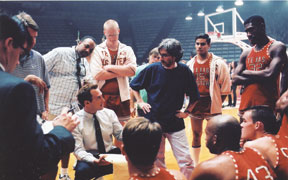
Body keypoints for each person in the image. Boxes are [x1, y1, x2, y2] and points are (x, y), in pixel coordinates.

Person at [0, 13, 79, 179]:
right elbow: (36, 158)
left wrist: (45, 110)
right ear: (8, 44)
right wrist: (60, 130)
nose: (18, 62)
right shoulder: (17, 89)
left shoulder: (38, 59)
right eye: (20, 50)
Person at [130, 38, 199, 179]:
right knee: (157, 159)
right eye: (160, 54)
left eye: (165, 55)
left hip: (175, 121)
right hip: (154, 122)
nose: (161, 57)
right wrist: (140, 102)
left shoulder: (184, 71)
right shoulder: (151, 69)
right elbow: (134, 85)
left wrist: (187, 112)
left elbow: (195, 96)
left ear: (175, 56)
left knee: (186, 160)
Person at [43, 36, 96, 179]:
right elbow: (41, 67)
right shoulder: (60, 53)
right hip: (54, 108)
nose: (87, 50)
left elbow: (89, 81)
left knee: (68, 142)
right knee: (53, 143)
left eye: (90, 50)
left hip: (73, 108)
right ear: (79, 43)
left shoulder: (85, 63)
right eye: (86, 46)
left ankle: (64, 173)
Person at [187, 33, 231, 165]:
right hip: (196, 103)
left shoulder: (218, 63)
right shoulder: (190, 64)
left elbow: (225, 85)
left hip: (212, 103)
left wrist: (218, 103)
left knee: (216, 135)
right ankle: (195, 164)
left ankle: (219, 162)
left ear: (209, 45)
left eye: (202, 44)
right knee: (196, 134)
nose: (199, 46)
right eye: (197, 44)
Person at [190, 114, 277, 180]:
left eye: (207, 134)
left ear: (215, 139)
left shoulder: (208, 168)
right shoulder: (259, 154)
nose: (205, 138)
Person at [232, 15, 288, 114]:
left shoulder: (277, 47)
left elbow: (270, 75)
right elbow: (235, 78)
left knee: (266, 129)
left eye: (251, 30)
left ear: (262, 27)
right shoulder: (246, 52)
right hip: (245, 104)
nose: (248, 34)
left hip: (266, 105)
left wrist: (245, 72)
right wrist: (261, 77)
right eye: (247, 32)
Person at [90, 19, 137, 126]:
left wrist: (109, 67)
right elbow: (97, 74)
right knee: (102, 127)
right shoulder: (97, 50)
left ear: (119, 31)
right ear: (104, 33)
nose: (112, 38)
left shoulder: (127, 49)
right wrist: (122, 71)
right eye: (109, 35)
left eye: (115, 34)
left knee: (121, 129)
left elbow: (132, 71)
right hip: (102, 96)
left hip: (122, 96)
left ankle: (118, 144)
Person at [72, 83, 123, 180]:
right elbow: (78, 150)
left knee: (132, 164)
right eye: (99, 98)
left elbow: (120, 134)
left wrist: (134, 134)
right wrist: (94, 160)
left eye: (102, 96)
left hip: (110, 155)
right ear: (87, 103)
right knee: (81, 172)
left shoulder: (109, 113)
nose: (103, 100)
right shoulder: (76, 121)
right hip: (90, 157)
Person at [11, 12, 50, 121]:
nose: (33, 42)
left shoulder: (38, 58)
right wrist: (26, 81)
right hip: (13, 121)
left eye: (35, 37)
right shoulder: (4, 61)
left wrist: (46, 110)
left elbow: (46, 88)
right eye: (29, 38)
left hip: (36, 120)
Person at [240, 106, 288, 179]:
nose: (241, 125)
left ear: (257, 125)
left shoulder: (253, 145)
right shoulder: (283, 138)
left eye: (244, 121)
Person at [132, 47, 160, 117]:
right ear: (149, 57)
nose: (156, 59)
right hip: (142, 106)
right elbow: (132, 89)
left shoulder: (162, 70)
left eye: (158, 57)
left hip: (157, 107)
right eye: (154, 57)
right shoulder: (139, 69)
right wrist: (131, 106)